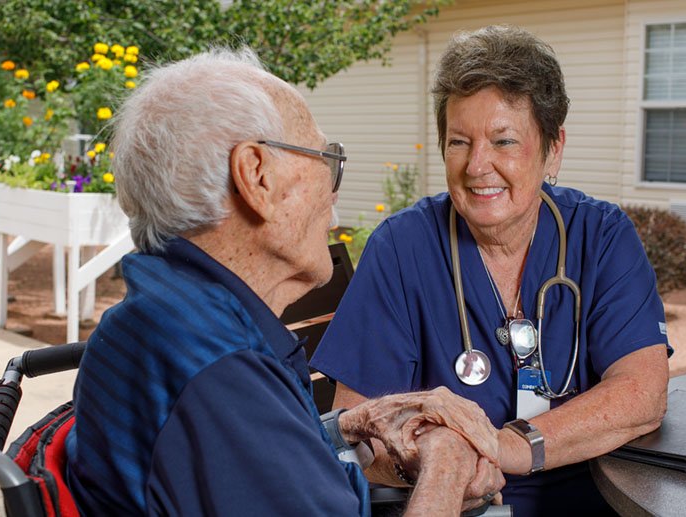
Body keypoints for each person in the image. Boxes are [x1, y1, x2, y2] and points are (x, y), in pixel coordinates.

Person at [64, 47, 506, 516]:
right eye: (325, 159)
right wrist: (447, 463)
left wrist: (349, 424)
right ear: (256, 177)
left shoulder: (165, 317)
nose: (334, 191)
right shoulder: (221, 373)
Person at [311, 25, 672, 515]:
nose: (477, 165)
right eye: (459, 141)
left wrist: (506, 445)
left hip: (597, 500)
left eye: (503, 141)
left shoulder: (601, 235)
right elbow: (361, 437)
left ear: (553, 148)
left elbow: (642, 392)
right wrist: (445, 462)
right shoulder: (402, 247)